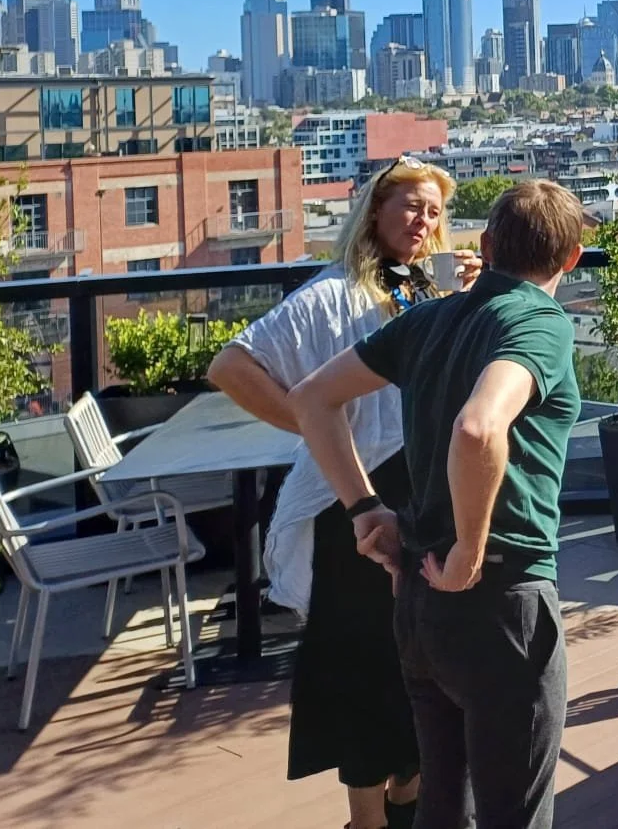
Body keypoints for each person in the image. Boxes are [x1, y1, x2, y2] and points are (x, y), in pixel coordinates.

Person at [291, 180, 587, 829]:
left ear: (487, 246)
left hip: (421, 605)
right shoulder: (540, 323)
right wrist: (469, 553)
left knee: (442, 805)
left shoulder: (427, 319)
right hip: (501, 600)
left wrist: (364, 509)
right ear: (571, 259)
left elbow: (312, 398)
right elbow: (479, 428)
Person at [208, 155, 475, 829]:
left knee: (424, 656)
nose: (423, 221)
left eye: (434, 211)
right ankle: (367, 818)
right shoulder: (333, 293)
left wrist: (473, 298)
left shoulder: (429, 290)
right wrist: (313, 424)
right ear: (375, 211)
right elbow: (232, 365)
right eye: (411, 205)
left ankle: (408, 794)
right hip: (355, 501)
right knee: (365, 662)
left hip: (426, 497)